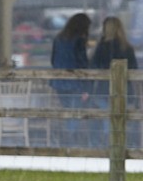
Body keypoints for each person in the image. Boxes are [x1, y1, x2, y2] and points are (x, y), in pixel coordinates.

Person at [90, 16, 138, 149]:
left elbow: (93, 66)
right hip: (125, 90)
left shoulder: (101, 47)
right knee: (121, 118)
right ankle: (121, 145)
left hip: (103, 90)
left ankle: (108, 145)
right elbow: (133, 68)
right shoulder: (127, 47)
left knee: (107, 118)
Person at [51, 12, 91, 148]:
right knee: (75, 112)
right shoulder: (79, 40)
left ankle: (67, 141)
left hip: (59, 82)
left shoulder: (59, 38)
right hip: (75, 83)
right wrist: (86, 88)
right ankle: (72, 143)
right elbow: (82, 64)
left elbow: (53, 60)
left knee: (68, 111)